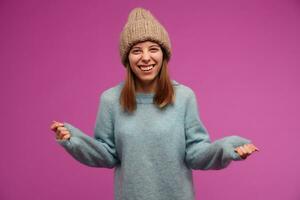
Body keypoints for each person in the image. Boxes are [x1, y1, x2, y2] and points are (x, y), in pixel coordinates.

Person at [50, 7, 259, 200]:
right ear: (127, 58)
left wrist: (225, 148)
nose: (146, 58)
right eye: (136, 50)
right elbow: (107, 154)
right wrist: (74, 140)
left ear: (164, 54)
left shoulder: (184, 96)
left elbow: (196, 153)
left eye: (153, 48)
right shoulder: (110, 100)